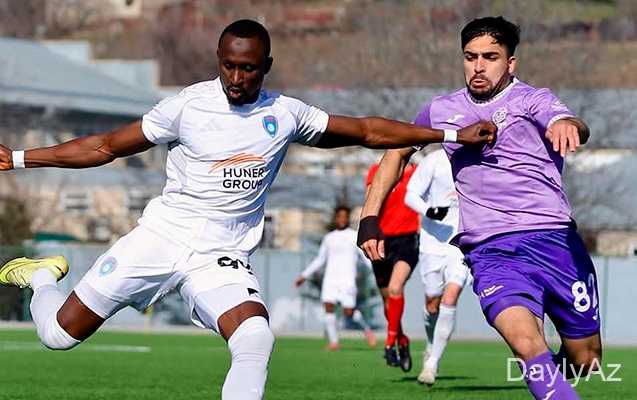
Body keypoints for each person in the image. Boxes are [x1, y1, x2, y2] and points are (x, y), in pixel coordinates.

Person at [0, 19, 496, 400]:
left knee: (256, 337)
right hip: (160, 239)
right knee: (58, 335)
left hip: (221, 256)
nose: (237, 78)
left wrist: (450, 134)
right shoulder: (186, 107)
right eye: (228, 66)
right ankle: (41, 277)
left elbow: (367, 131)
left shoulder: (285, 113)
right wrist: (18, 158)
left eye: (249, 68)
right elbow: (106, 146)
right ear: (218, 61)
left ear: (266, 65)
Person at [359, 16, 597, 400]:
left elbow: (569, 121)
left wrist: (567, 125)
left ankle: (551, 377)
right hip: (492, 250)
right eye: (471, 57)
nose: (479, 66)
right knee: (526, 344)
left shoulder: (532, 99)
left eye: (490, 57)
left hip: (555, 243)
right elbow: (396, 152)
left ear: (510, 62)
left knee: (586, 360)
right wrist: (369, 217)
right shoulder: (442, 109)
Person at [404, 148, 470, 385]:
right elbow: (410, 195)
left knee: (451, 297)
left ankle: (432, 363)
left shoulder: (477, 159)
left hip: (461, 243)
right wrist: (428, 211)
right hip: (432, 243)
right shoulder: (434, 161)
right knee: (432, 303)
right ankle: (431, 346)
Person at [294, 206, 376, 351]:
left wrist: (377, 271)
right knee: (329, 307)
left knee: (349, 312)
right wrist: (304, 275)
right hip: (330, 280)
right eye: (339, 216)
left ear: (347, 218)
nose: (342, 219)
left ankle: (367, 330)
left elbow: (364, 258)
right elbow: (320, 259)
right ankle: (334, 342)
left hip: (347, 280)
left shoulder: (354, 236)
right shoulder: (329, 238)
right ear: (336, 218)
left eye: (345, 216)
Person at [364, 161, 419, 372]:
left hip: (407, 240)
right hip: (381, 240)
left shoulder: (418, 172)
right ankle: (402, 340)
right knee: (388, 302)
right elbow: (370, 200)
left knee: (396, 288)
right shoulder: (376, 170)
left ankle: (388, 344)